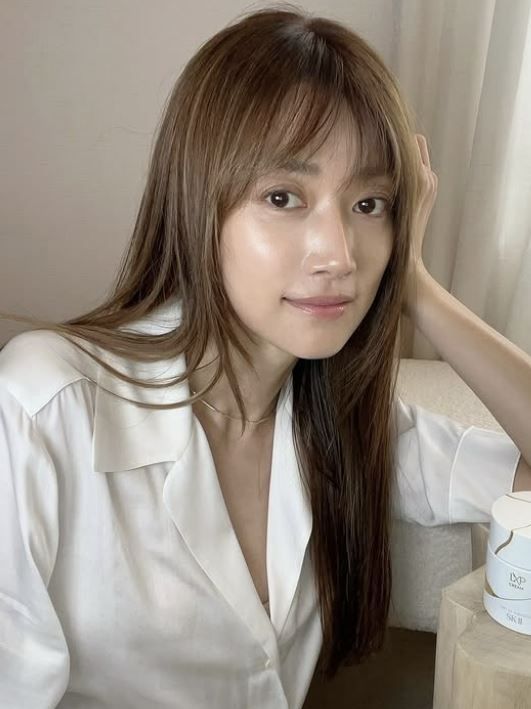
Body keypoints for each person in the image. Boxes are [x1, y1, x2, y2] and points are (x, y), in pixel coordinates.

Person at [1, 5, 530, 709]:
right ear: (199, 205)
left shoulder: (351, 427)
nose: (339, 255)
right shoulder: (43, 407)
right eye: (283, 197)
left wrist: (415, 284)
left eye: (369, 204)